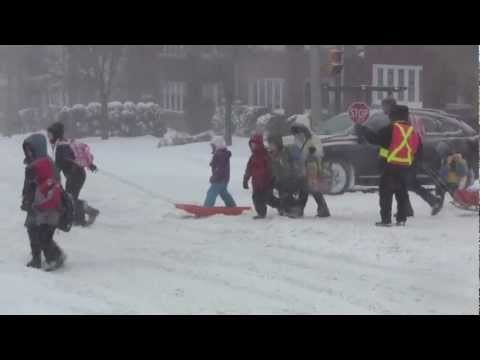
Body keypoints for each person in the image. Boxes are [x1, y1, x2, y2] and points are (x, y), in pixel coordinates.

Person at [356, 105, 419, 226]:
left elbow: (376, 139)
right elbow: (415, 149)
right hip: (405, 167)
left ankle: (386, 219)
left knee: (386, 193)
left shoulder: (392, 128)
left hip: (390, 166)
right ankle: (401, 219)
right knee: (402, 193)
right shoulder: (411, 131)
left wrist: (363, 130)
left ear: (394, 116)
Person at [21, 133, 66, 271]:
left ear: (38, 148)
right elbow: (28, 184)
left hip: (47, 205)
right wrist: (25, 197)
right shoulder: (32, 163)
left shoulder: (48, 163)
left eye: (31, 149)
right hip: (33, 204)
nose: (28, 152)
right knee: (31, 229)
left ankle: (56, 256)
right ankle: (36, 257)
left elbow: (54, 184)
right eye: (26, 149)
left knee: (43, 233)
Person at [47, 122, 100, 227]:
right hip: (76, 175)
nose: (49, 137)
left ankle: (81, 221)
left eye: (50, 134)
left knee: (70, 199)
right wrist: (89, 165)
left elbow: (59, 166)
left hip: (75, 176)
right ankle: (88, 212)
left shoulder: (61, 147)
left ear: (56, 134)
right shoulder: (65, 143)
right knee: (70, 198)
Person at [243, 133, 279, 219]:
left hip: (266, 182)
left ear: (259, 144)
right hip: (256, 183)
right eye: (251, 144)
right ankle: (261, 213)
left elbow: (271, 168)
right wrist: (246, 179)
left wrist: (273, 179)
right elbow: (249, 169)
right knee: (256, 198)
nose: (253, 146)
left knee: (268, 199)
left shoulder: (266, 155)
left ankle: (281, 206)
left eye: (255, 144)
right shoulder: (253, 157)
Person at [267, 135, 299, 216]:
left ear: (277, 144)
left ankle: (290, 209)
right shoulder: (270, 154)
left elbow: (286, 168)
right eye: (269, 144)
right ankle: (282, 207)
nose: (270, 146)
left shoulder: (283, 153)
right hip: (276, 180)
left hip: (285, 180)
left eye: (272, 144)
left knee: (285, 195)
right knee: (268, 197)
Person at [203, 137, 237, 208]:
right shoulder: (221, 154)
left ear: (217, 146)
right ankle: (232, 206)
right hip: (223, 179)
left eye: (213, 146)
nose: (212, 148)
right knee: (223, 193)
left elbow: (220, 169)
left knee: (211, 192)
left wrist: (214, 177)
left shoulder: (220, 155)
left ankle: (207, 207)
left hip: (220, 179)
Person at [302, 146, 331, 218]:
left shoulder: (310, 159)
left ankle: (323, 211)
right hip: (315, 178)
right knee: (316, 194)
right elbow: (318, 169)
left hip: (312, 179)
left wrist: (309, 178)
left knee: (315, 193)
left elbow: (311, 169)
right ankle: (324, 210)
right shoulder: (316, 157)